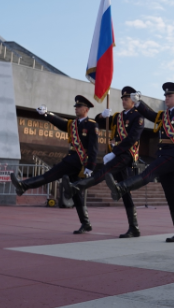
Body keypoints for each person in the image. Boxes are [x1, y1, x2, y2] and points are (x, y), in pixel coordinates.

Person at [106, 83, 174, 243]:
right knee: (171, 196)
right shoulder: (164, 115)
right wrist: (139, 102)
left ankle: (121, 188)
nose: (167, 98)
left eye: (170, 96)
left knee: (149, 172)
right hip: (164, 155)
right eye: (165, 96)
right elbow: (150, 114)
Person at [62, 87, 144, 238]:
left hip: (126, 155)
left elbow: (132, 138)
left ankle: (76, 186)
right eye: (123, 99)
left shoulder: (138, 117)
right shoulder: (118, 117)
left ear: (133, 101)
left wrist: (115, 152)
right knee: (125, 193)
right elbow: (98, 121)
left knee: (103, 172)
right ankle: (134, 227)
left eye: (126, 99)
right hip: (116, 155)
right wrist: (102, 115)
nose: (123, 101)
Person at [10, 95, 98, 234]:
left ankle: (24, 185)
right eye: (75, 107)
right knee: (76, 193)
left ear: (86, 109)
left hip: (78, 160)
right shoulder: (73, 124)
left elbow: (94, 147)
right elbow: (60, 123)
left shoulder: (92, 125)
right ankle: (86, 223)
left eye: (79, 107)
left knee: (50, 174)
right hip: (72, 158)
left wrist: (90, 166)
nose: (76, 109)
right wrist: (46, 114)